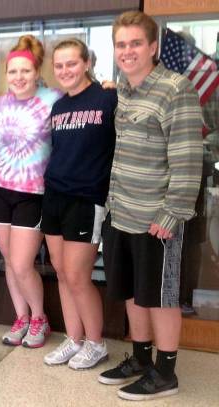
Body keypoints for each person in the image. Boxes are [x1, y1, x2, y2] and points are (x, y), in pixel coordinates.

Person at [97, 11, 202, 401]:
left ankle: (166, 372)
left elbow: (189, 160)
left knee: (160, 297)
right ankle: (141, 359)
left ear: (153, 46)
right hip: (121, 211)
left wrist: (172, 212)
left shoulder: (177, 89)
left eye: (135, 43)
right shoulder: (123, 90)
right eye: (121, 44)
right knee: (133, 293)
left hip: (157, 219)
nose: (127, 51)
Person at [40, 39, 116, 369]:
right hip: (54, 195)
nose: (65, 71)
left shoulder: (108, 97)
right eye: (59, 66)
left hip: (87, 199)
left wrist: (118, 84)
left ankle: (96, 343)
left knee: (77, 275)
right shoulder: (58, 107)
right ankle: (74, 338)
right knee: (61, 272)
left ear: (86, 62)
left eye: (72, 63)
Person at [0, 35, 62, 348]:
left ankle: (40, 317)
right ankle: (21, 317)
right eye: (13, 72)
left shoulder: (53, 98)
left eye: (25, 71)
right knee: (8, 260)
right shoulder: (2, 101)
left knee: (21, 264)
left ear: (36, 72)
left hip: (33, 191)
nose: (19, 77)